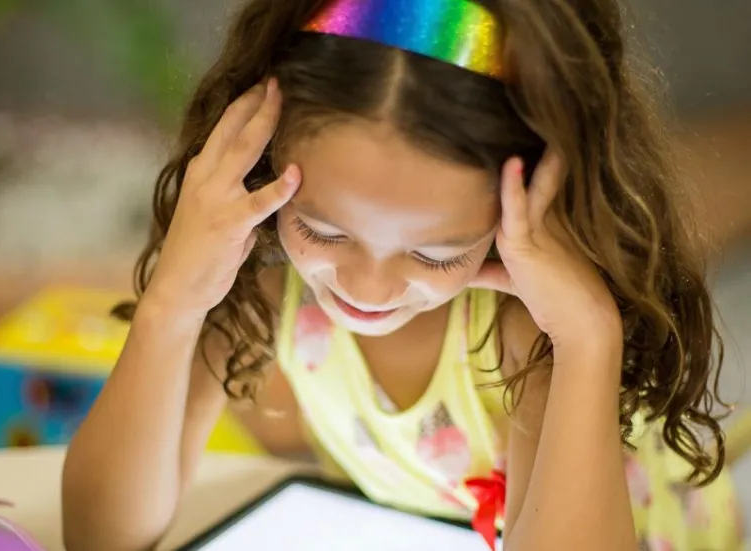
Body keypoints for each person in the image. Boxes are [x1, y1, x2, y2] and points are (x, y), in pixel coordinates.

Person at [61, 0, 745, 549]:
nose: (368, 289)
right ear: (264, 166)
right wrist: (173, 300)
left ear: (537, 207)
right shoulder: (267, 297)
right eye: (322, 230)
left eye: (437, 253)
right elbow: (101, 537)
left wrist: (590, 334)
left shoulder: (528, 333)